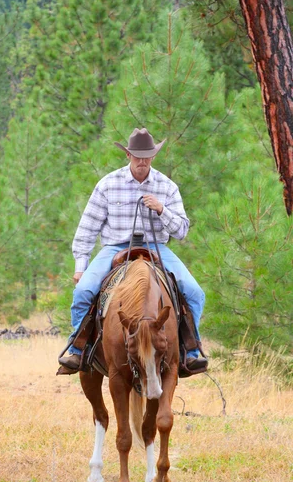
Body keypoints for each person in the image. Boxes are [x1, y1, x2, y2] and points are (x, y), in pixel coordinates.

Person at [59, 127, 207, 374]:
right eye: (137, 156)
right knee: (83, 291)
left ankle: (189, 352)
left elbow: (181, 231)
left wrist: (162, 210)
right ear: (128, 155)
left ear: (153, 156)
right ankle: (78, 349)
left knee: (194, 292)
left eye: (146, 156)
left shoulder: (167, 187)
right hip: (115, 246)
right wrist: (80, 267)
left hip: (156, 247)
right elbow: (87, 228)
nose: (142, 161)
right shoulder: (108, 184)